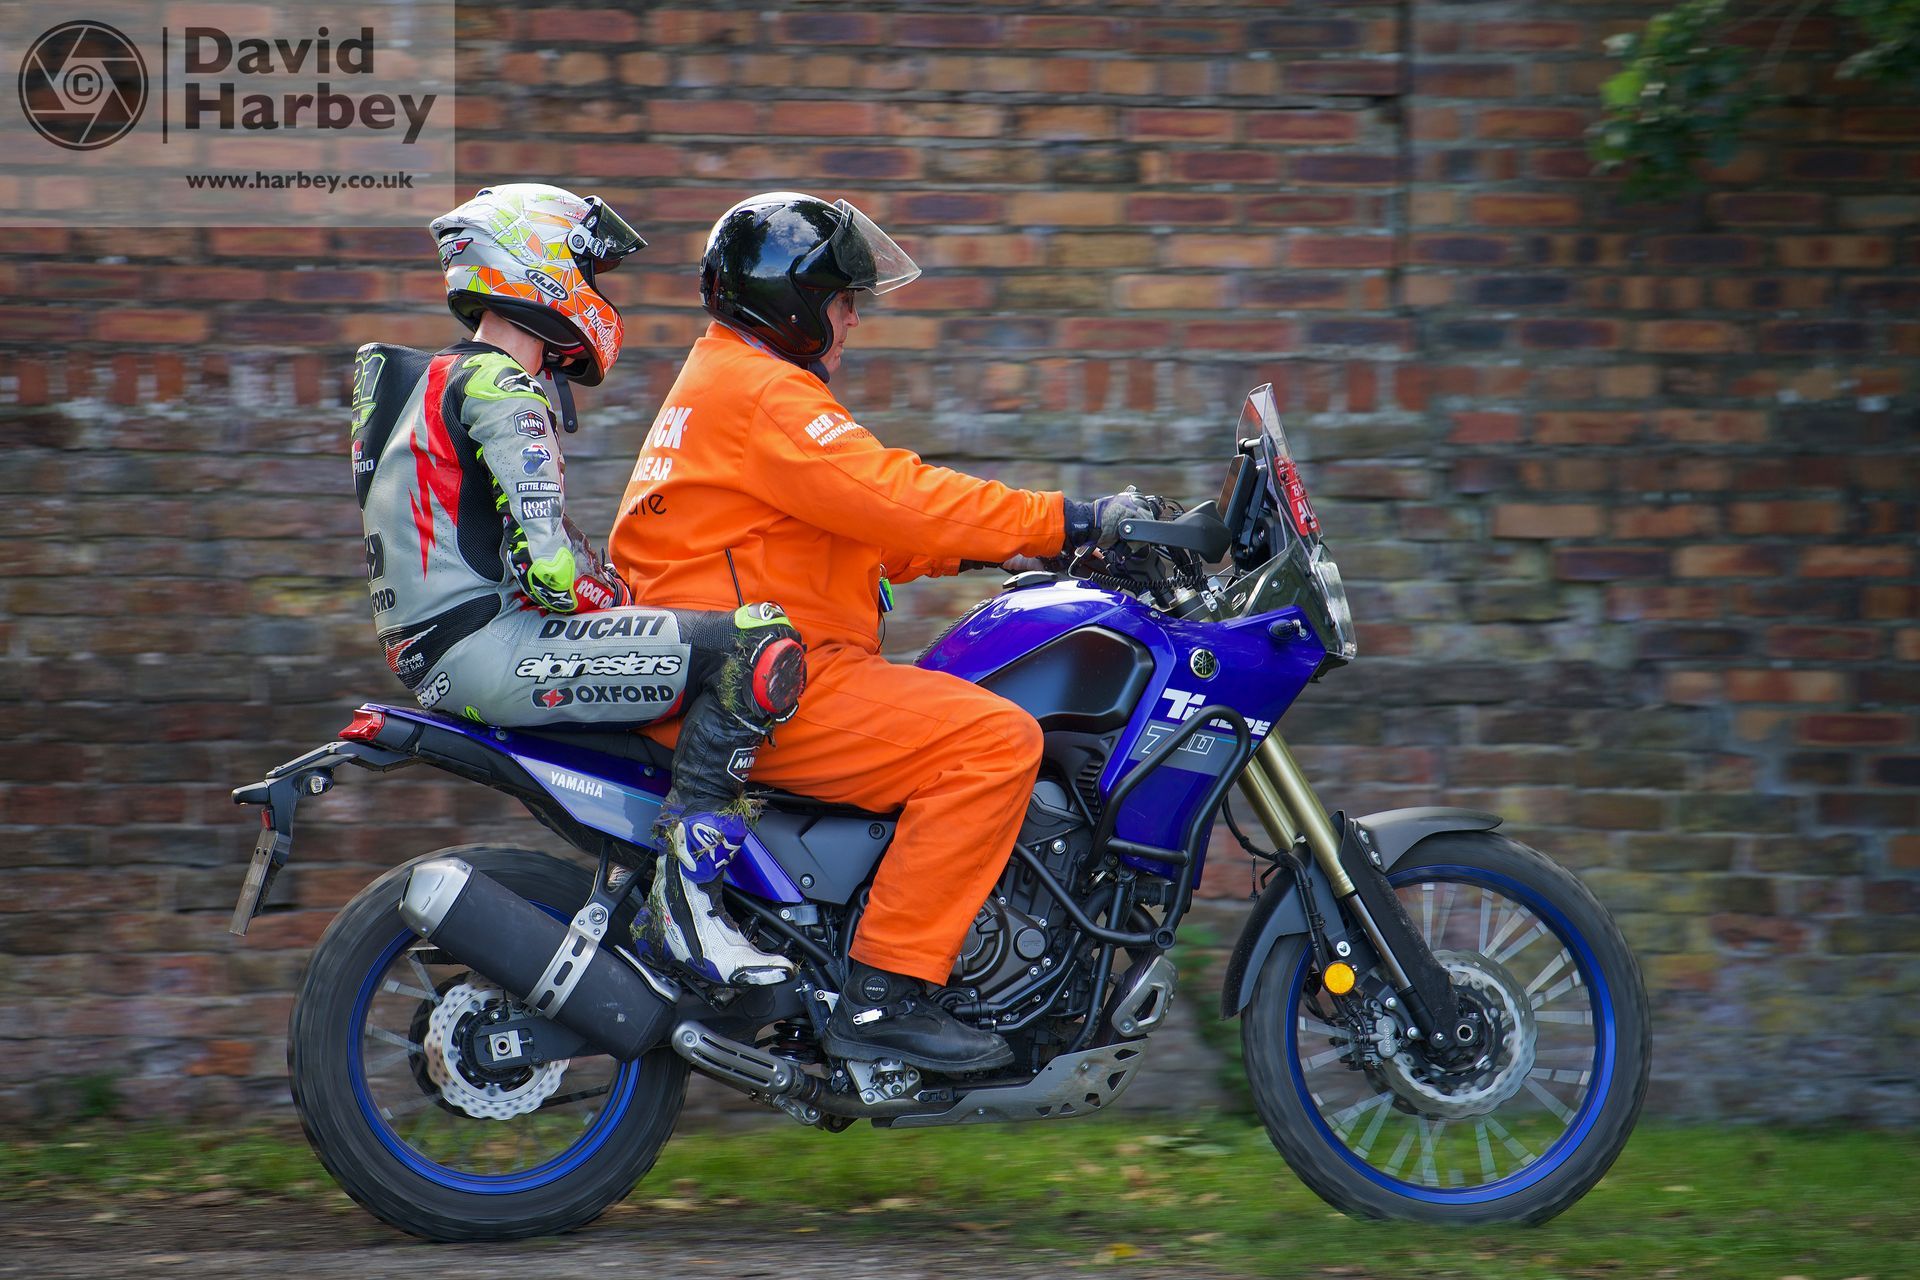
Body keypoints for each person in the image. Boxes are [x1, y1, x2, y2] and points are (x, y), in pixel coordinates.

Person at [607, 190, 1153, 1072]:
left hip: (748, 670)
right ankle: (884, 995)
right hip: (765, 684)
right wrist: (1071, 520)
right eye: (841, 298)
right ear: (792, 301)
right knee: (991, 741)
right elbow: (895, 496)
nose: (854, 317)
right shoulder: (763, 393)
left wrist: (1007, 550)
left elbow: (858, 532)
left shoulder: (728, 380)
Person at [350, 182, 808, 986]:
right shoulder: (501, 387)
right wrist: (631, 603)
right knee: (755, 647)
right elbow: (553, 572)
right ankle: (690, 910)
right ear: (541, 266)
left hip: (443, 648)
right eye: (590, 272)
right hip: (491, 644)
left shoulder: (426, 382)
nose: (596, 293)